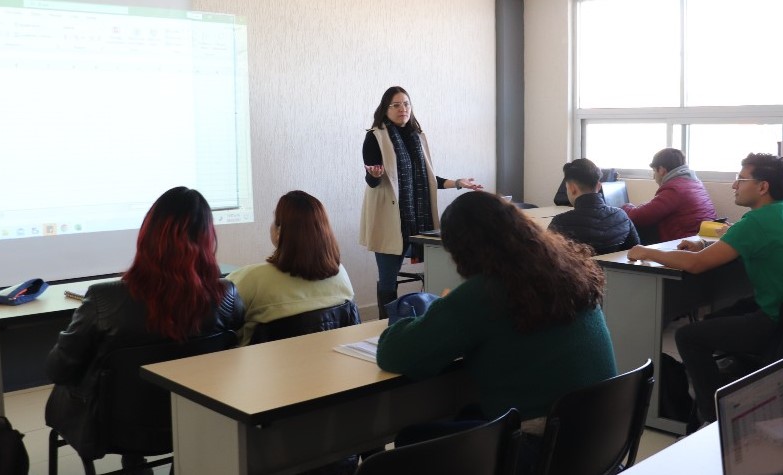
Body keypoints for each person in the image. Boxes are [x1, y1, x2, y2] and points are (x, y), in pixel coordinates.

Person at [378, 191, 617, 472]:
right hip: (600, 438)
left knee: (411, 440)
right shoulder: (570, 270)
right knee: (468, 412)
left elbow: (394, 354)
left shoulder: (485, 293)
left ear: (464, 251)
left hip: (543, 451)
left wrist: (431, 310)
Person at [44, 187, 245, 471]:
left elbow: (58, 370)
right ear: (207, 238)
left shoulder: (103, 299)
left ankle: (134, 460)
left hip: (112, 428)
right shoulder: (227, 297)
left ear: (148, 236)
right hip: (193, 418)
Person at [627, 153, 783, 423]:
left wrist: (647, 252)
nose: (734, 185)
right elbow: (740, 239)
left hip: (778, 320)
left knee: (688, 337)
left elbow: (696, 265)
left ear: (762, 187)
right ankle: (725, 395)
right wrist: (704, 244)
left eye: (741, 179)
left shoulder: (757, 222)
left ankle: (714, 417)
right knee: (714, 320)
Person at [359, 86, 483, 319]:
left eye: (406, 104)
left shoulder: (418, 137)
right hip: (389, 219)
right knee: (388, 281)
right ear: (385, 109)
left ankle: (428, 320)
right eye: (396, 105)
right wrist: (374, 175)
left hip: (419, 220)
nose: (403, 109)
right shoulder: (375, 137)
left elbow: (428, 180)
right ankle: (387, 325)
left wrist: (458, 183)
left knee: (437, 267)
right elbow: (373, 181)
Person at [227, 191, 355, 346]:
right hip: (327, 360)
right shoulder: (341, 274)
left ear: (279, 232)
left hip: (263, 362)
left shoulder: (251, 279)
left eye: (274, 219)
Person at [622, 148, 717, 243]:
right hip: (700, 239)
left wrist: (625, 207)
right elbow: (653, 209)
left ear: (661, 170)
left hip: (685, 243)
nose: (654, 176)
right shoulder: (694, 183)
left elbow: (639, 216)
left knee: (632, 225)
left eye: (654, 171)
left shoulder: (674, 189)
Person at [548, 158, 639, 253]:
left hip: (579, 263)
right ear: (599, 186)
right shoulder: (621, 216)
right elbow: (636, 251)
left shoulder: (560, 223)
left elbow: (547, 256)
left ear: (572, 188)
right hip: (614, 264)